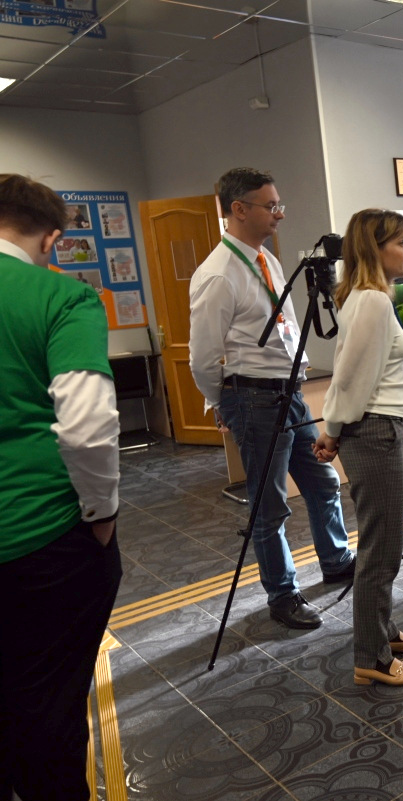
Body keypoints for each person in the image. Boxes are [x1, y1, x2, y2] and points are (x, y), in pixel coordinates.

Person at [189, 167, 355, 630]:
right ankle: (282, 594)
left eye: (279, 204)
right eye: (271, 205)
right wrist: (221, 403)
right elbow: (202, 358)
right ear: (238, 209)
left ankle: (336, 560)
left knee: (322, 482)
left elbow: (285, 328)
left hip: (289, 393)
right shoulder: (217, 275)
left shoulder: (268, 261)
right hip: (254, 400)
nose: (280, 214)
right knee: (270, 505)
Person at [0, 174, 122, 799]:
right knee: (48, 702)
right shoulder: (61, 298)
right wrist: (101, 515)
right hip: (40, 536)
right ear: (51, 239)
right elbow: (88, 426)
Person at [313, 209, 403, 687]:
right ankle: (372, 658)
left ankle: (383, 633)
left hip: (380, 426)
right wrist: (332, 429)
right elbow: (349, 378)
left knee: (382, 541)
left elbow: (352, 368)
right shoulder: (373, 302)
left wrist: (334, 429)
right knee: (382, 549)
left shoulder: (368, 298)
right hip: (374, 430)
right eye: (400, 242)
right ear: (374, 249)